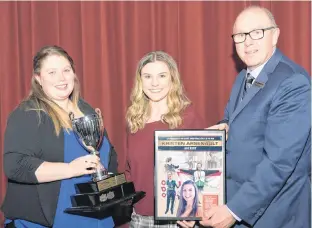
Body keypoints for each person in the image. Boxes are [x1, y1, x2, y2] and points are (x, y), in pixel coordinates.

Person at [179, 6, 311, 228]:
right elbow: (233, 120)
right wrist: (223, 128)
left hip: (276, 215)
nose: (248, 42)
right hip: (242, 206)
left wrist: (234, 210)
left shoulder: (293, 82)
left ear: (275, 35)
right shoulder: (243, 77)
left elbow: (279, 163)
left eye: (257, 32)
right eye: (240, 36)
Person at [1, 45, 118, 228]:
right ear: (39, 79)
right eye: (52, 72)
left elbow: (110, 154)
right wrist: (70, 169)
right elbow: (15, 165)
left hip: (97, 219)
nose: (61, 78)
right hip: (47, 222)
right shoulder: (28, 113)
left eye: (66, 70)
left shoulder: (86, 110)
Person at [125, 51, 205, 227]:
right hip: (139, 219)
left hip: (177, 220)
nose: (154, 83)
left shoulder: (188, 117)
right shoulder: (135, 120)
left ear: (172, 79)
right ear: (140, 81)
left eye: (162, 76)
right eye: (147, 76)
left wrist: (193, 212)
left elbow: (202, 169)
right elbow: (131, 171)